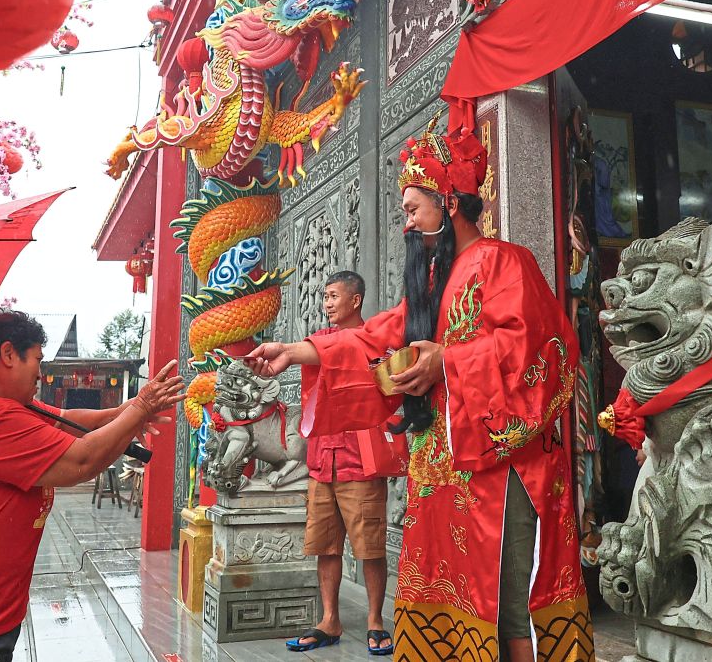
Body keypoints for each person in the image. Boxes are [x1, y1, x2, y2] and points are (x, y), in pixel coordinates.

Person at [247, 117, 594, 662]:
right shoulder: (434, 286)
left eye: (413, 209)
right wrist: (293, 352)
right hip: (442, 471)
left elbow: (541, 352)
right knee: (445, 595)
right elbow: (370, 339)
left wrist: (448, 361)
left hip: (500, 471)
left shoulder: (504, 262)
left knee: (509, 604)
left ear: (449, 203)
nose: (406, 222)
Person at [0, 309, 185, 661]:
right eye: (37, 361)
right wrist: (143, 406)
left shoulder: (0, 404)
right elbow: (81, 461)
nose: (41, 374)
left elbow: (66, 422)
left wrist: (132, 410)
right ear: (9, 354)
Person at [285, 271, 393, 656]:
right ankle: (329, 619)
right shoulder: (320, 341)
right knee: (326, 547)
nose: (327, 303)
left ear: (356, 300)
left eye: (333, 296)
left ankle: (375, 621)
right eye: (325, 296)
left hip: (359, 461)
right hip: (321, 462)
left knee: (370, 547)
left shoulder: (375, 342)